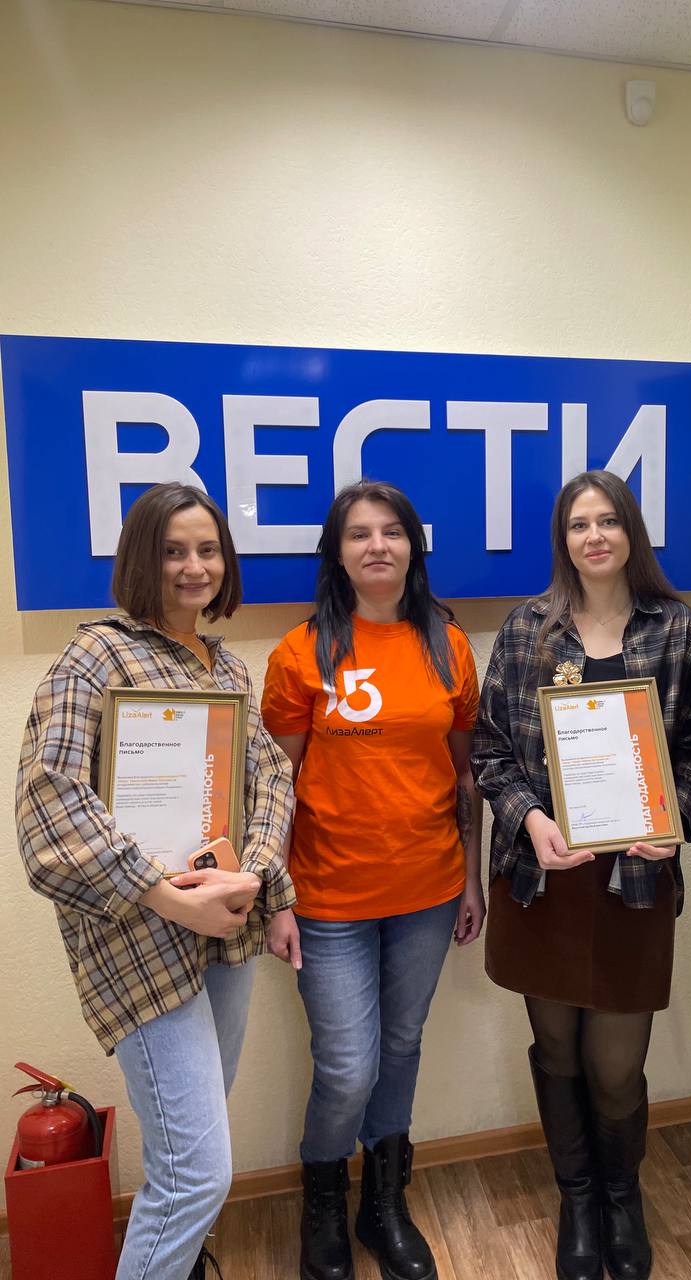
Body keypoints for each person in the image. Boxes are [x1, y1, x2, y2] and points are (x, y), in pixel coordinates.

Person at [16, 482, 296, 1280]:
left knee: (189, 1153)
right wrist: (164, 893)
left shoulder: (227, 666)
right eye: (173, 551)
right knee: (196, 1175)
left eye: (207, 549)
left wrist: (257, 875)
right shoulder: (94, 657)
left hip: (225, 931)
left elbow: (271, 780)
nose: (193, 566)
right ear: (142, 557)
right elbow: (50, 800)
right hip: (140, 943)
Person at [472, 470, 691, 1280]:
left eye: (608, 520)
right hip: (544, 881)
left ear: (630, 531)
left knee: (615, 1067)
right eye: (579, 524)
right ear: (563, 540)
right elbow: (489, 752)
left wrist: (674, 820)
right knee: (558, 1052)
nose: (595, 536)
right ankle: (577, 1198)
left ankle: (621, 1195)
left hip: (634, 886)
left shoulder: (676, 629)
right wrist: (530, 821)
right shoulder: (527, 630)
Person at [261, 479, 484, 1280]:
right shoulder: (299, 653)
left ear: (413, 548)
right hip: (328, 899)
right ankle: (323, 1201)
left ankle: (384, 1204)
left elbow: (466, 777)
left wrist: (473, 880)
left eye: (392, 531)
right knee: (347, 1064)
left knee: (401, 1046)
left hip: (429, 889)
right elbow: (273, 791)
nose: (378, 545)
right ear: (337, 552)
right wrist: (274, 898)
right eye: (359, 533)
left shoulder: (447, 646)